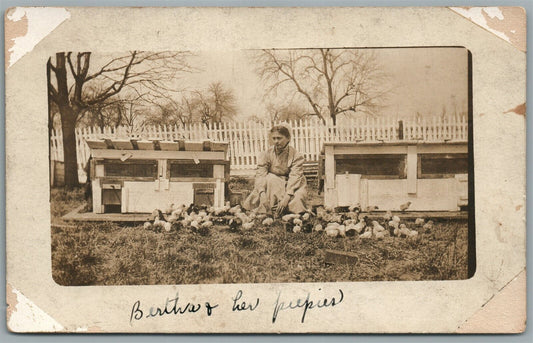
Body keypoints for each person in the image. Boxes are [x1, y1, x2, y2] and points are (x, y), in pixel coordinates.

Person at [243, 125, 308, 216]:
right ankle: (271, 210)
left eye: (279, 138)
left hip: (293, 183)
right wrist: (262, 194)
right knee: (271, 180)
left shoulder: (296, 155)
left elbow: (295, 176)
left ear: (288, 138)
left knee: (297, 199)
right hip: (273, 182)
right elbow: (260, 174)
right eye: (274, 138)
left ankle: (287, 210)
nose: (276, 141)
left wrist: (286, 197)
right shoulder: (266, 154)